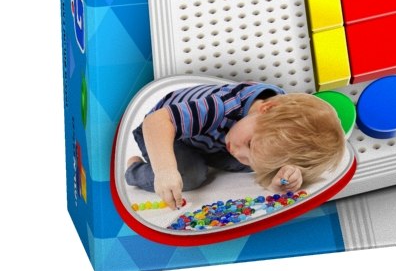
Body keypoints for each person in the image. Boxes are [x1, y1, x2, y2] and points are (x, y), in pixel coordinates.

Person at [124, 82, 345, 209]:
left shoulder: (274, 125)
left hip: (213, 141)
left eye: (249, 155)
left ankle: (250, 157)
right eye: (249, 144)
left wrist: (281, 180)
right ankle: (135, 169)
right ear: (266, 109)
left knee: (260, 163)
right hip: (164, 132)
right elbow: (156, 122)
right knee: (192, 175)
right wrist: (165, 170)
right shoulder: (224, 105)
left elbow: (267, 156)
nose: (239, 154)